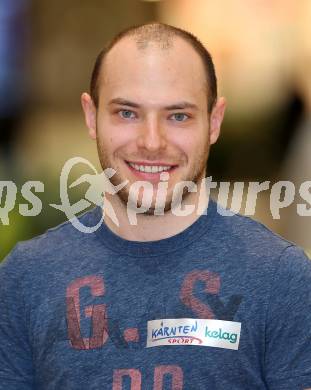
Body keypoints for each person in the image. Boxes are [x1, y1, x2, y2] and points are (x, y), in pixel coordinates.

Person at [0, 22, 311, 390]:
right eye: (127, 113)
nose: (151, 141)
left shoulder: (281, 278)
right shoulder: (26, 278)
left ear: (214, 122)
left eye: (178, 115)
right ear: (91, 116)